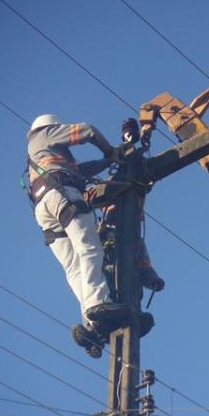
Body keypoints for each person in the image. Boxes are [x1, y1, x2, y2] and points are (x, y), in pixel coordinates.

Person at [26, 114, 127, 329]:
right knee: (90, 248)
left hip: (44, 207)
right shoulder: (46, 134)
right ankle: (98, 303)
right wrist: (110, 151)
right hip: (62, 195)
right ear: (52, 127)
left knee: (74, 267)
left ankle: (91, 324)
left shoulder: (38, 154)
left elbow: (81, 170)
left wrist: (108, 160)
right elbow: (87, 130)